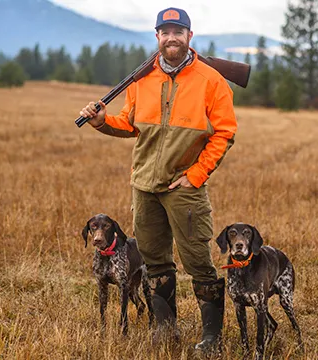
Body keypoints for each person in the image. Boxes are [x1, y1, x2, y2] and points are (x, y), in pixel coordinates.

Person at [78, 6, 237, 355]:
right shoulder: (142, 79)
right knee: (154, 260)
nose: (172, 37)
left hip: (185, 188)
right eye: (165, 32)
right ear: (157, 37)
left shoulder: (212, 80)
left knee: (198, 260)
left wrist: (195, 176)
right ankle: (164, 331)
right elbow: (131, 125)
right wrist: (103, 121)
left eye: (178, 31)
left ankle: (211, 338)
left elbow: (225, 133)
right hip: (144, 187)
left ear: (189, 37)